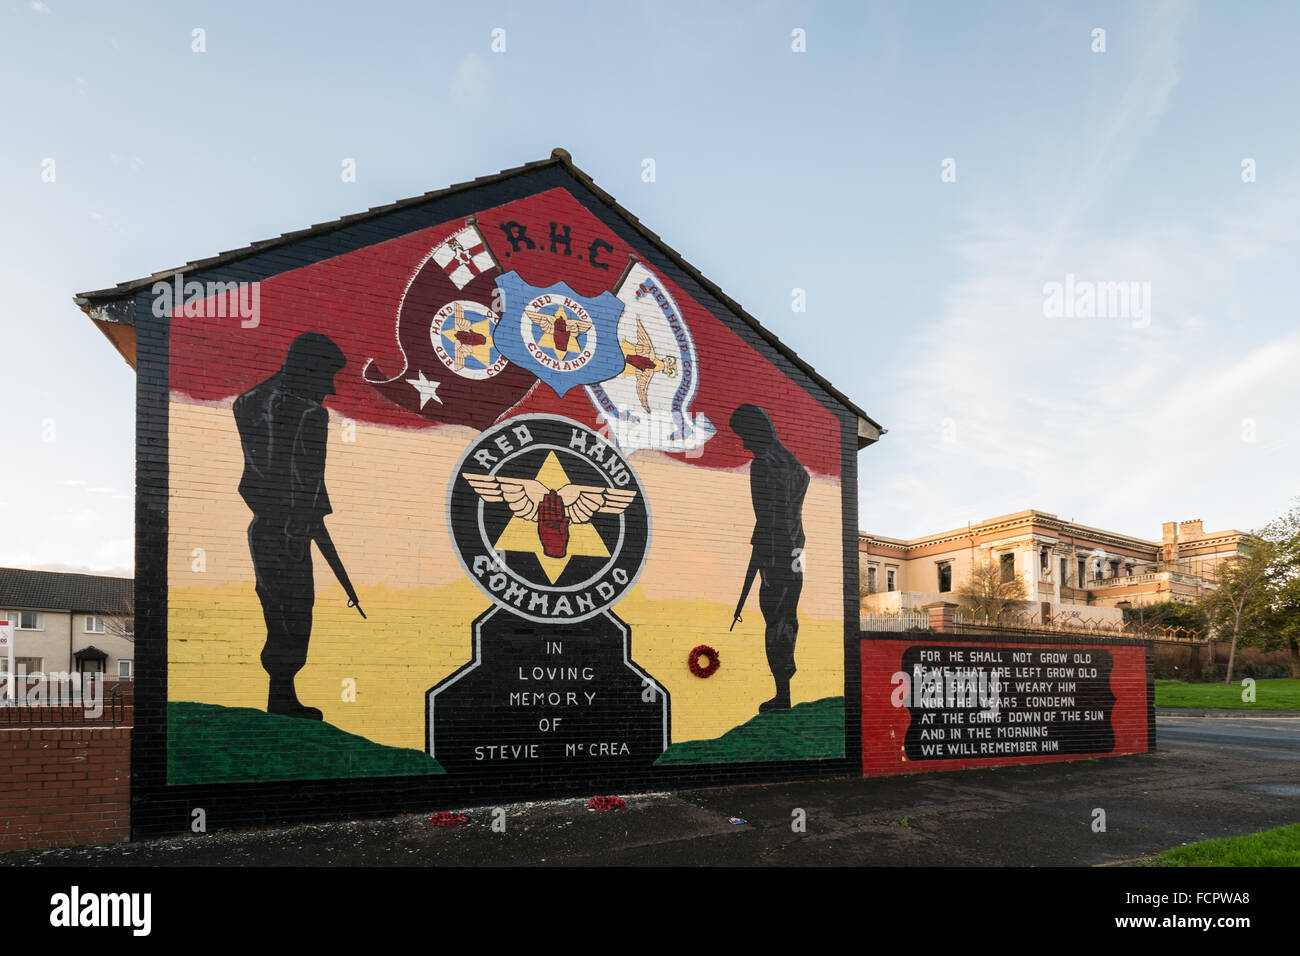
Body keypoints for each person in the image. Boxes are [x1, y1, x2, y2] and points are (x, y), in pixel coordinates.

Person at [233, 332, 347, 720]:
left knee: (273, 607)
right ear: (309, 368)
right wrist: (302, 530)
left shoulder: (245, 402)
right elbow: (307, 478)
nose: (331, 388)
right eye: (327, 376)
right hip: (292, 529)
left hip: (262, 526)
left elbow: (264, 469)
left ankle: (278, 694)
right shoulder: (311, 414)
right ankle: (283, 697)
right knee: (297, 612)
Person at [729, 404, 810, 713]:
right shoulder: (796, 467)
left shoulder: (762, 465)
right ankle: (785, 691)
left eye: (743, 436)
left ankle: (782, 695)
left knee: (775, 622)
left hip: (775, 554)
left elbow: (765, 521)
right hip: (798, 552)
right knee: (789, 618)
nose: (743, 443)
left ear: (753, 432)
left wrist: (759, 562)